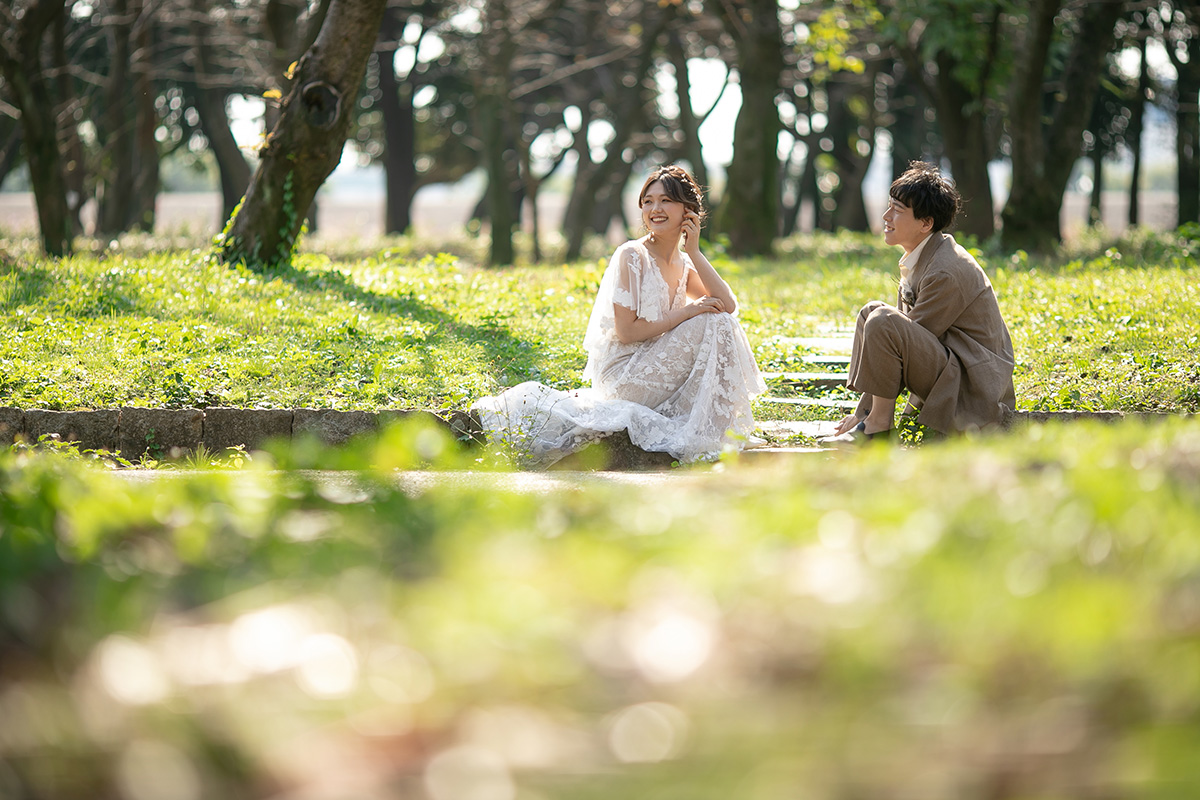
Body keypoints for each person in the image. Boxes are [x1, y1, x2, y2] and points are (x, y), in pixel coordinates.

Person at [473, 164, 766, 465]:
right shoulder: (632, 255)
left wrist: (695, 252)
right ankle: (715, 430)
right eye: (648, 201)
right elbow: (626, 332)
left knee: (720, 320)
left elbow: (727, 304)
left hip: (653, 367)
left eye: (666, 200)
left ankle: (718, 427)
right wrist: (688, 311)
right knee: (711, 320)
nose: (655, 209)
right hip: (623, 377)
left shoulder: (684, 263)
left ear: (688, 210)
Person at [821, 161, 1015, 445]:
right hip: (949, 367)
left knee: (883, 319)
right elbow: (903, 339)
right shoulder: (926, 257)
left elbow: (898, 343)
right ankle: (872, 422)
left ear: (926, 223)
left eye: (898, 211)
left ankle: (877, 428)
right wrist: (859, 412)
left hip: (972, 389)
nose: (886, 216)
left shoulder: (945, 270)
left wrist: (864, 413)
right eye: (889, 206)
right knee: (871, 313)